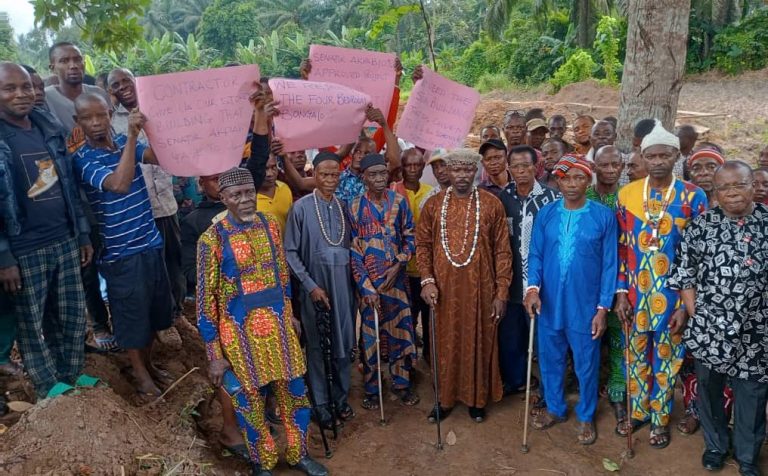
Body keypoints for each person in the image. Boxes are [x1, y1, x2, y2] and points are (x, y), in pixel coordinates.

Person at [196, 167, 328, 476]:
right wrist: (214, 354)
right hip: (238, 334)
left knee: (295, 392)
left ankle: (299, 454)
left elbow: (282, 274)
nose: (245, 200)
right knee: (250, 402)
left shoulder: (269, 225)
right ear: (223, 197)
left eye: (249, 192)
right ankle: (263, 462)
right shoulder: (211, 239)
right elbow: (205, 302)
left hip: (279, 326)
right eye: (237, 195)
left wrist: (290, 313)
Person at [668, 162, 768, 476]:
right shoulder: (701, 226)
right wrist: (697, 314)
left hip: (757, 332)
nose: (732, 193)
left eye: (739, 185)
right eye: (724, 187)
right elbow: (685, 275)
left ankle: (748, 457)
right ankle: (715, 447)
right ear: (716, 191)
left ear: (753, 185)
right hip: (709, 329)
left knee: (751, 397)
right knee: (709, 394)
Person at [0, 62, 92, 398]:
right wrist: (4, 256)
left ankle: (72, 372)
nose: (21, 94)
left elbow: (68, 185)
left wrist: (81, 233)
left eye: (25, 87)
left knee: (69, 315)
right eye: (9, 88)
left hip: (64, 238)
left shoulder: (47, 127)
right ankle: (47, 385)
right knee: (32, 321)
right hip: (24, 249)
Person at [614, 120, 708, 449]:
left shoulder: (693, 197)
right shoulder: (626, 195)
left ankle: (660, 419)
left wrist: (686, 306)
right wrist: (621, 293)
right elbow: (623, 249)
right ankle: (638, 411)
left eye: (663, 155)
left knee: (666, 360)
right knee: (635, 357)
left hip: (672, 297)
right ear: (643, 156)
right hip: (636, 295)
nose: (657, 161)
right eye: (650, 156)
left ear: (675, 156)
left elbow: (697, 256)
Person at [73, 93, 174, 397]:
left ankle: (148, 364)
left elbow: (160, 157)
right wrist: (131, 137)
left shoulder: (123, 144)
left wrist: (157, 127)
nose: (95, 123)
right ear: (77, 122)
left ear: (109, 114)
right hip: (121, 253)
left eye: (100, 115)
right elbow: (119, 184)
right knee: (131, 317)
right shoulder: (82, 159)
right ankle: (140, 375)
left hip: (150, 243)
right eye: (87, 118)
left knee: (156, 314)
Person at [524, 156, 617, 445]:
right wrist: (532, 289)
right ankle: (555, 408)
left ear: (588, 181)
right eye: (566, 178)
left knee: (586, 363)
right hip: (549, 304)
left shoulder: (603, 216)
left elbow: (610, 265)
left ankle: (586, 415)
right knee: (550, 360)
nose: (572, 184)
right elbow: (536, 254)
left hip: (585, 307)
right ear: (558, 181)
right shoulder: (547, 214)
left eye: (579, 177)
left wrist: (603, 308)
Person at [417, 148, 512, 423]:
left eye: (467, 170)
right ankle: (444, 400)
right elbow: (422, 245)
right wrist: (427, 281)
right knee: (444, 343)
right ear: (447, 171)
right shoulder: (434, 205)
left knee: (478, 341)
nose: (461, 175)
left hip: (481, 291)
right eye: (456, 170)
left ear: (475, 171)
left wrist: (501, 292)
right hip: (443, 293)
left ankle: (476, 400)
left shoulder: (491, 203)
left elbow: (503, 251)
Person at [284, 152, 356, 427]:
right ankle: (321, 404)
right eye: (324, 175)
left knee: (343, 344)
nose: (329, 180)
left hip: (344, 290)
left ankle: (340, 398)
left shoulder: (344, 207)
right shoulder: (301, 208)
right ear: (313, 175)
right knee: (317, 347)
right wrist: (311, 286)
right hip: (315, 290)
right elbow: (290, 252)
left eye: (334, 175)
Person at [108, 67, 186, 322]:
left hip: (165, 202)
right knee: (153, 267)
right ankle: (161, 318)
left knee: (174, 261)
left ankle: (178, 313)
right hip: (138, 209)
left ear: (136, 80)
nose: (123, 87)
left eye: (126, 80)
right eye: (116, 85)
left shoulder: (161, 108)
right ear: (112, 92)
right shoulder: (110, 121)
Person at [349, 153, 419, 409]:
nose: (378, 179)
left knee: (401, 333)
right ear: (364, 177)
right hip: (370, 288)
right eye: (373, 175)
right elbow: (354, 250)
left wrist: (399, 263)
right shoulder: (354, 206)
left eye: (382, 173)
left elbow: (411, 236)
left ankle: (402, 384)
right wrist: (366, 287)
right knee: (371, 338)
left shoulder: (400, 202)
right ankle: (372, 388)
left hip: (397, 283)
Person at [498, 145, 559, 404]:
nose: (521, 171)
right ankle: (516, 382)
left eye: (526, 166)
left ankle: (547, 392)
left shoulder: (552, 198)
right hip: (511, 283)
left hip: (540, 284)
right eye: (515, 166)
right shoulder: (503, 198)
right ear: (508, 169)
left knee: (544, 341)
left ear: (537, 167)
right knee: (512, 338)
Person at [585, 146, 627, 432]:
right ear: (595, 167)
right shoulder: (583, 196)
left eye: (616, 165)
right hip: (585, 282)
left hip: (621, 280)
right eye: (604, 165)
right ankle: (584, 390)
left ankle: (618, 394)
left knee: (617, 338)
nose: (610, 170)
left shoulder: (629, 199)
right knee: (585, 338)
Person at [390, 149, 433, 358]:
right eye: (409, 165)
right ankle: (407, 359)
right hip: (402, 268)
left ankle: (428, 356)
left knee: (428, 314)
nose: (413, 169)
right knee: (406, 315)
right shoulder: (393, 192)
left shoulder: (431, 192)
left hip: (425, 269)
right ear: (402, 167)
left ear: (423, 167)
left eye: (417, 165)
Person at [45, 42, 110, 132]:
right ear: (53, 68)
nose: (73, 66)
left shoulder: (99, 94)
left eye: (78, 60)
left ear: (84, 64)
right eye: (64, 61)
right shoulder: (46, 99)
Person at [257, 154, 293, 232]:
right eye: (264, 169)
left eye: (273, 167)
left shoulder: (284, 188)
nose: (270, 173)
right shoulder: (248, 199)